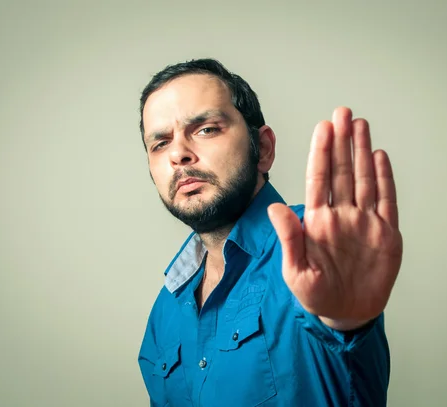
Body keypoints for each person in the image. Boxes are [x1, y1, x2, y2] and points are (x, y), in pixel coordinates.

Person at [137, 58, 403, 407]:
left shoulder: (320, 249)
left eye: (206, 129)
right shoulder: (164, 313)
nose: (178, 154)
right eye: (160, 143)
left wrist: (345, 321)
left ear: (262, 148)